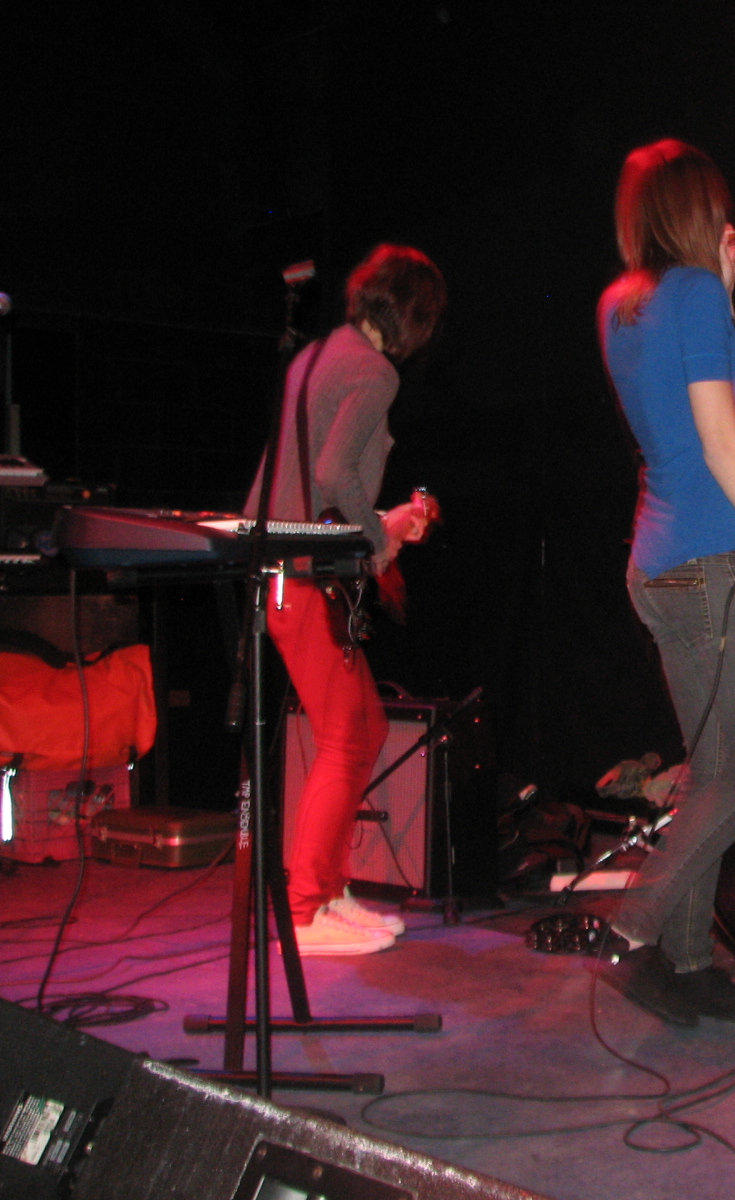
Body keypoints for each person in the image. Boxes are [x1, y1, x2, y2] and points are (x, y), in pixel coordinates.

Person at [597, 139, 735, 1026]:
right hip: (710, 565)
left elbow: (675, 414)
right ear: (701, 211)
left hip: (657, 563)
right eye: (722, 211)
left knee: (716, 773)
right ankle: (634, 927)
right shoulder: (692, 294)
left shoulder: (622, 303)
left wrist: (718, 289)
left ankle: (687, 964)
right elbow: (722, 440)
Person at [247, 244, 446, 956]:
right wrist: (378, 538)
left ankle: (327, 892)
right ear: (416, 316)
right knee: (342, 736)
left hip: (287, 564)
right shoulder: (374, 370)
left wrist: (376, 526)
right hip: (297, 575)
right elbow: (334, 475)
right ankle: (305, 912)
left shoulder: (319, 354)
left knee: (362, 725)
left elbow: (316, 482)